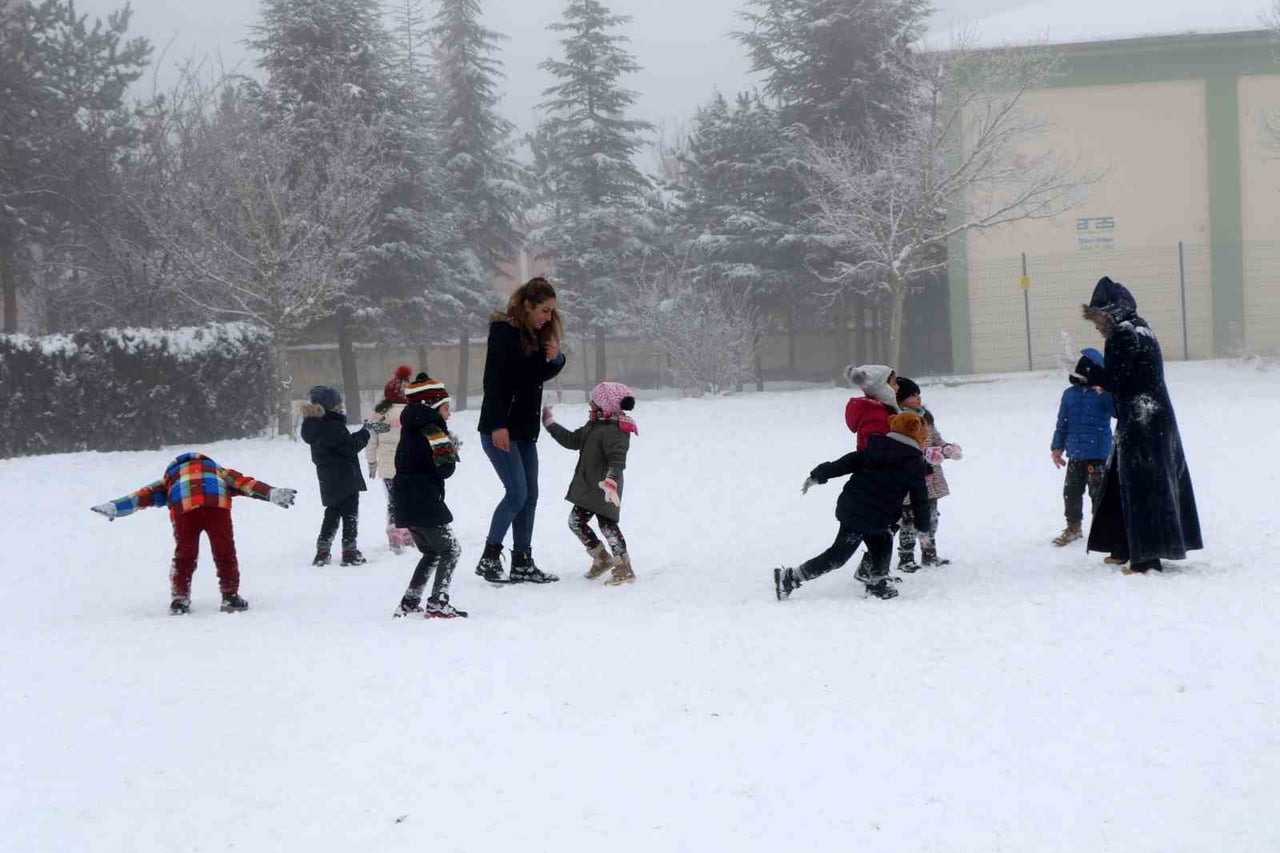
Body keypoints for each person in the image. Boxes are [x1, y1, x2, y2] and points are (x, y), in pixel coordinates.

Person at [1075, 276, 1202, 573]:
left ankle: (1145, 557)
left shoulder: (1123, 334)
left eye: (1098, 318)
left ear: (1112, 312)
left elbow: (1116, 381)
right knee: (1124, 481)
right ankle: (1122, 545)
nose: (1096, 325)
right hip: (1153, 417)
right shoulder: (1142, 329)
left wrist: (1086, 371)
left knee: (1142, 486)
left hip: (1141, 420)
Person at [90, 452, 296, 614]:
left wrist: (115, 507)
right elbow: (245, 484)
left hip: (184, 510)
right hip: (216, 506)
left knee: (185, 555)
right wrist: (270, 492)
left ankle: (180, 599)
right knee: (225, 552)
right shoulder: (218, 471)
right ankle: (230, 597)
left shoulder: (170, 477)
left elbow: (141, 496)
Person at [774, 411, 933, 602]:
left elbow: (845, 463)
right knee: (839, 555)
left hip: (856, 507)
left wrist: (820, 474)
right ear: (917, 435)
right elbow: (920, 499)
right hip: (864, 514)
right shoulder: (913, 464)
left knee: (882, 542)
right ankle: (790, 577)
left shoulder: (876, 448)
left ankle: (877, 581)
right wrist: (923, 525)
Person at [475, 276, 567, 584]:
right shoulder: (504, 333)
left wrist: (557, 359)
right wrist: (498, 423)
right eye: (543, 310)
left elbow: (534, 376)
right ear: (527, 306)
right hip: (500, 428)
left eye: (551, 312)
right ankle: (489, 558)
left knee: (530, 495)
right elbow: (494, 381)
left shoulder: (535, 335)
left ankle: (522, 561)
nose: (547, 317)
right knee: (516, 493)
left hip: (525, 429)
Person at [542, 381, 638, 586]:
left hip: (605, 488)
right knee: (575, 521)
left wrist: (611, 481)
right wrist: (550, 424)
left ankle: (624, 567)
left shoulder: (616, 429)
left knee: (607, 525)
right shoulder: (595, 424)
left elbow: (617, 460)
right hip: (589, 487)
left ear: (605, 404)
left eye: (594, 401)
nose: (590, 404)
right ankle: (602, 557)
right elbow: (572, 440)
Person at [390, 374, 468, 618]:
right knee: (451, 550)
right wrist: (450, 448)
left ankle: (410, 601)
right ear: (433, 406)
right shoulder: (433, 430)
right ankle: (438, 602)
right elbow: (446, 470)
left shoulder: (409, 430)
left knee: (432, 551)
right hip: (425, 502)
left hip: (405, 503)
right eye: (446, 408)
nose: (449, 414)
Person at [301, 385, 389, 567]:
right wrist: (367, 432)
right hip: (344, 477)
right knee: (350, 514)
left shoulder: (316, 425)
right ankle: (350, 552)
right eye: (338, 405)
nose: (341, 407)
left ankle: (323, 551)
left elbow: (342, 444)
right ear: (329, 406)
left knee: (332, 513)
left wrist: (363, 431)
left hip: (328, 478)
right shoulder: (332, 426)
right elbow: (350, 447)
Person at [894, 377, 963, 571]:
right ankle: (906, 557)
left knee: (931, 515)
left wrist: (947, 449)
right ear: (900, 399)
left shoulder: (926, 417)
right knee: (908, 518)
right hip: (909, 478)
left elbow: (936, 441)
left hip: (931, 477)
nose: (917, 398)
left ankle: (929, 553)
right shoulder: (898, 420)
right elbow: (901, 448)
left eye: (918, 394)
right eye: (912, 395)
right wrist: (924, 455)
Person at [1050, 348, 1114, 547]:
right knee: (1071, 492)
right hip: (1075, 454)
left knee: (1098, 494)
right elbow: (1062, 423)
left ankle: (1103, 530)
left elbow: (1116, 411)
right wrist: (1057, 448)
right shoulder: (1069, 395)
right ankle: (1073, 527)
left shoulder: (1103, 394)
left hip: (1097, 455)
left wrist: (1105, 392)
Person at [367, 365, 414, 554]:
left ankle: (394, 536)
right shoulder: (412, 412)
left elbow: (372, 441)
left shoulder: (379, 414)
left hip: (387, 468)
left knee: (393, 502)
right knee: (409, 500)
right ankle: (410, 534)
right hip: (410, 466)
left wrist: (372, 463)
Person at [844, 364, 900, 450]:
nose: (898, 387)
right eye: (894, 383)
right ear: (883, 387)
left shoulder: (883, 411)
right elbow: (877, 452)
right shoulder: (874, 415)